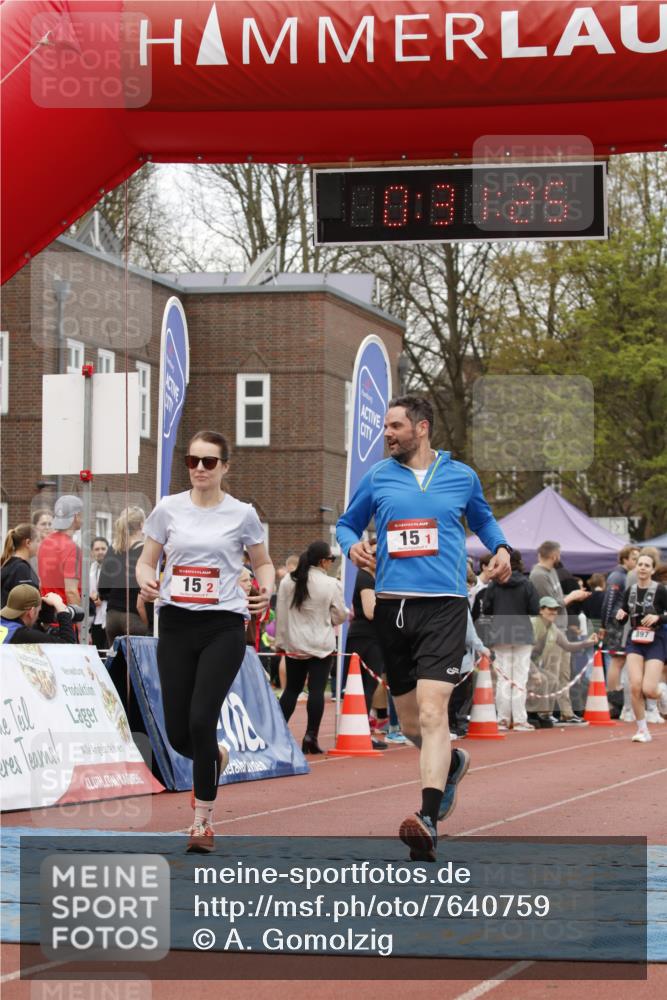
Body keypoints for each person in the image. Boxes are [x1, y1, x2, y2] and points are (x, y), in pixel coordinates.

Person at [336, 395, 511, 862]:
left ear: (422, 428)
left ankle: (427, 819)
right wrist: (352, 547)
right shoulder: (377, 478)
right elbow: (346, 524)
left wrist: (502, 548)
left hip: (444, 607)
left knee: (435, 713)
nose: (387, 434)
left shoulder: (461, 476)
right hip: (394, 610)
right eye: (386, 427)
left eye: (395, 426)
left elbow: (485, 519)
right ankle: (451, 764)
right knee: (412, 723)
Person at [136, 429, 273, 854]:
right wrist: (146, 581)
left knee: (201, 719)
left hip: (224, 626)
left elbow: (263, 562)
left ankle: (202, 823)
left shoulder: (242, 514)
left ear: (224, 467)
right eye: (192, 461)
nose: (198, 468)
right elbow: (146, 560)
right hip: (176, 622)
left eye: (208, 462)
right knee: (179, 735)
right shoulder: (167, 509)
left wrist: (264, 590)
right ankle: (215, 756)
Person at [275, 540, 347, 754]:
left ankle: (277, 734)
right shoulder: (331, 584)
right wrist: (330, 620)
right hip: (320, 644)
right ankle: (310, 737)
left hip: (295, 643)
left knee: (291, 690)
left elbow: (281, 613)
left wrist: (281, 641)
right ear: (324, 561)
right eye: (331, 559)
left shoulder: (289, 580)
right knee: (316, 691)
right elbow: (340, 614)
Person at [529, 541, 589, 724]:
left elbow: (557, 600)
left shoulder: (551, 572)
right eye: (559, 554)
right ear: (554, 555)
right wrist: (573, 596)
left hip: (560, 627)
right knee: (552, 671)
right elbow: (550, 603)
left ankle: (566, 711)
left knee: (563, 673)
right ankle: (549, 712)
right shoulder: (538, 575)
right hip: (549, 629)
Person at [482, 550, 540, 731]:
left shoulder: (494, 585)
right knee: (520, 678)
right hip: (522, 633)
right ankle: (521, 720)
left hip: (500, 633)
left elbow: (487, 609)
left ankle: (503, 719)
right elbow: (534, 608)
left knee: (503, 678)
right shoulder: (527, 584)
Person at [614, 550, 667, 744]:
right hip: (635, 639)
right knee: (635, 687)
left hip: (656, 639)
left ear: (652, 570)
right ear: (636, 568)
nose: (642, 568)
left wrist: (658, 617)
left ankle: (661, 692)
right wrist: (620, 616)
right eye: (640, 564)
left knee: (648, 689)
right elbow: (623, 616)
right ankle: (643, 729)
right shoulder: (630, 591)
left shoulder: (660, 590)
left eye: (647, 565)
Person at [529, 596, 599, 727]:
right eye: (550, 609)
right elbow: (524, 654)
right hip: (521, 663)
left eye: (556, 610)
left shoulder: (553, 628)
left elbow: (568, 646)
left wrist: (587, 642)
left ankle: (543, 714)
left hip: (532, 664)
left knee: (552, 679)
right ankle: (531, 714)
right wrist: (534, 671)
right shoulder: (533, 624)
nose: (554, 612)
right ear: (541, 610)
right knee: (543, 678)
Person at [345, 560, 389, 750]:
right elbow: (371, 611)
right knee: (367, 686)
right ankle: (361, 733)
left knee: (361, 687)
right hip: (368, 637)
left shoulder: (362, 577)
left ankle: (357, 730)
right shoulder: (365, 579)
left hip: (362, 635)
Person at [600, 545, 640, 717]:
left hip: (623, 623)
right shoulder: (618, 576)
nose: (637, 563)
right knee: (617, 660)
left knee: (621, 661)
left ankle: (617, 697)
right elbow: (608, 602)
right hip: (617, 623)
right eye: (634, 559)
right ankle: (612, 699)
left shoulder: (626, 576)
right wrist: (605, 624)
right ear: (625, 559)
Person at [98, 507, 148, 647]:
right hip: (135, 615)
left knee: (115, 665)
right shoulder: (145, 551)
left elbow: (102, 587)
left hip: (112, 616)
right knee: (138, 666)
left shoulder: (112, 550)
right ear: (142, 525)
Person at [37, 495, 83, 606]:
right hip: (63, 615)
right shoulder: (72, 548)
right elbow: (71, 591)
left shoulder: (45, 543)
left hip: (46, 612)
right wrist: (77, 621)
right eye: (82, 514)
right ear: (76, 517)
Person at [0, 584, 76, 644]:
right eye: (39, 611)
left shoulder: (6, 626)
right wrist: (61, 608)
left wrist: (44, 626)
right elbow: (67, 646)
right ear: (31, 612)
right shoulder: (22, 635)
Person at [1, 524, 40, 607]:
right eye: (37, 541)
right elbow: (26, 604)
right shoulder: (21, 568)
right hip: (17, 620)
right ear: (28, 542)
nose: (39, 545)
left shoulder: (11, 564)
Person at [89, 536, 109, 651]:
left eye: (103, 548)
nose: (100, 552)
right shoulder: (91, 569)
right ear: (92, 552)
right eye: (97, 549)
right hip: (95, 618)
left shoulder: (114, 569)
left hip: (108, 617)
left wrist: (102, 597)